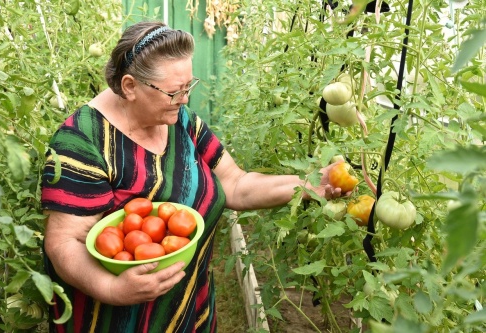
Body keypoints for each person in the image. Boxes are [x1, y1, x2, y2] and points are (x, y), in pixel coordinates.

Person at [41, 21, 344, 332]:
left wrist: (307, 184)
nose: (184, 99)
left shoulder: (180, 120)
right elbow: (64, 242)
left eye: (188, 86)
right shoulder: (82, 141)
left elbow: (236, 184)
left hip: (187, 307)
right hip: (111, 319)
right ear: (130, 86)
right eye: (174, 91)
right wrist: (112, 289)